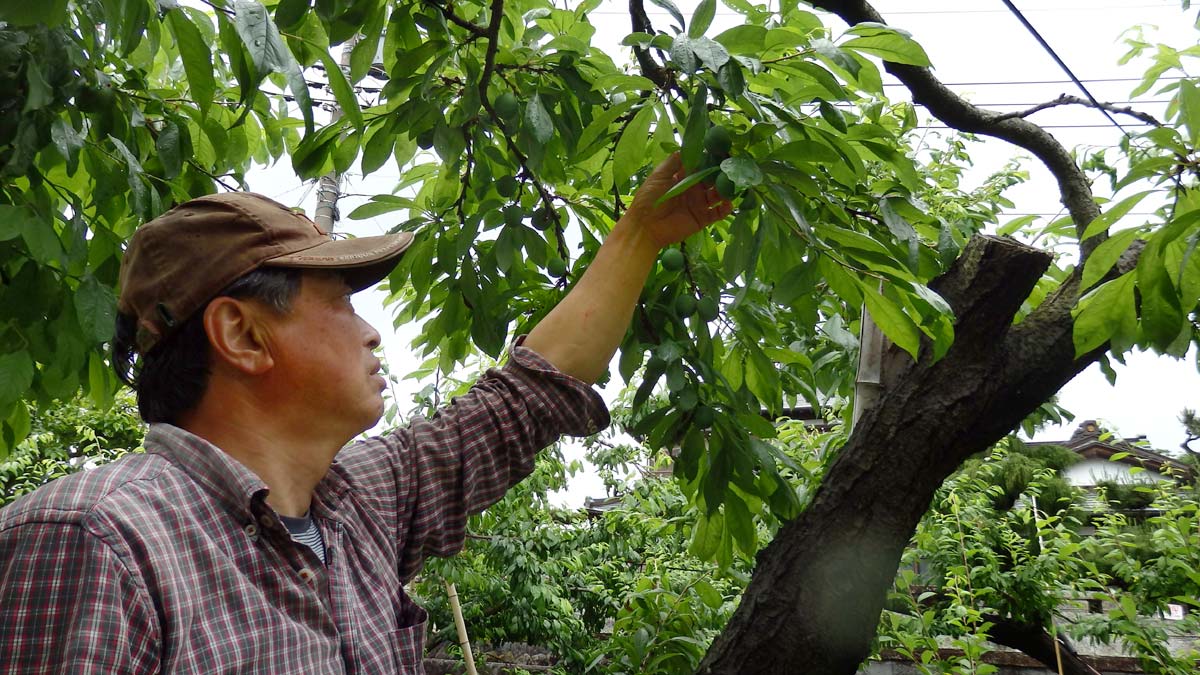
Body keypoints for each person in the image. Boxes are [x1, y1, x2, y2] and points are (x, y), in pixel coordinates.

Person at [0, 153, 731, 674]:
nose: (371, 330)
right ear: (242, 334)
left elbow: (525, 399)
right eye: (343, 302)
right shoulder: (97, 541)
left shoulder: (357, 504)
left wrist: (640, 235)